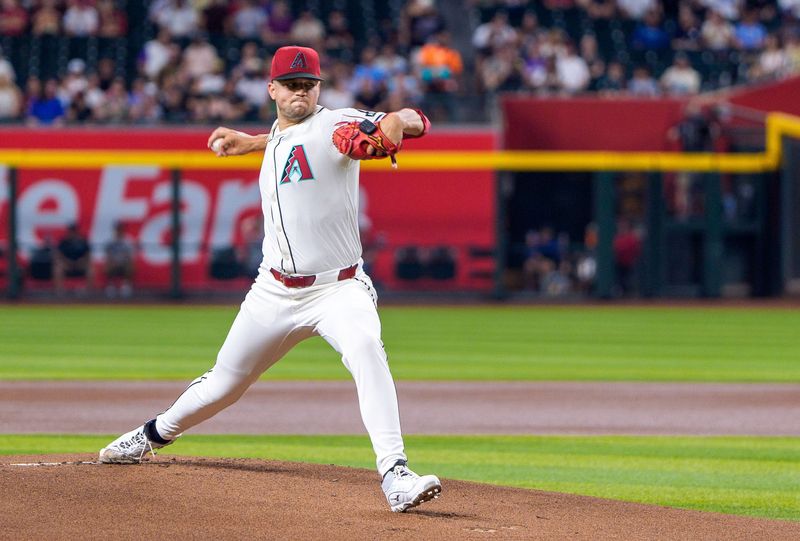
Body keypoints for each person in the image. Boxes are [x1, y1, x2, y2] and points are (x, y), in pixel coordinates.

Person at [98, 45, 442, 514]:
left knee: (365, 349)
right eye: (292, 84)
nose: (302, 92)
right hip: (273, 290)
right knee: (224, 384)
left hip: (338, 289)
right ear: (273, 89)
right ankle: (151, 434)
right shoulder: (281, 135)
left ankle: (396, 473)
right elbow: (291, 139)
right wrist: (251, 142)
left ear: (319, 88)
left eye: (309, 84)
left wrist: (399, 119)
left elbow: (393, 124)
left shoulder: (337, 121)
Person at [54, 223, 93, 295]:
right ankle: (59, 292)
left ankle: (89, 292)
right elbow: (59, 256)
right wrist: (66, 262)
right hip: (67, 265)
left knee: (90, 270)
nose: (72, 233)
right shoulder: (63, 242)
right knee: (58, 269)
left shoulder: (83, 241)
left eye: (74, 231)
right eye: (71, 231)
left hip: (80, 265)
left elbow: (88, 255)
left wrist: (81, 261)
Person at [103, 221, 135, 298]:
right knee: (108, 265)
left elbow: (130, 256)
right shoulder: (110, 241)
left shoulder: (128, 241)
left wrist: (124, 262)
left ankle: (126, 285)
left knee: (129, 265)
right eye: (117, 229)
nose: (119, 231)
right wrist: (112, 262)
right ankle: (111, 286)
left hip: (124, 263)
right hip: (113, 263)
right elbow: (108, 256)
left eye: (120, 229)